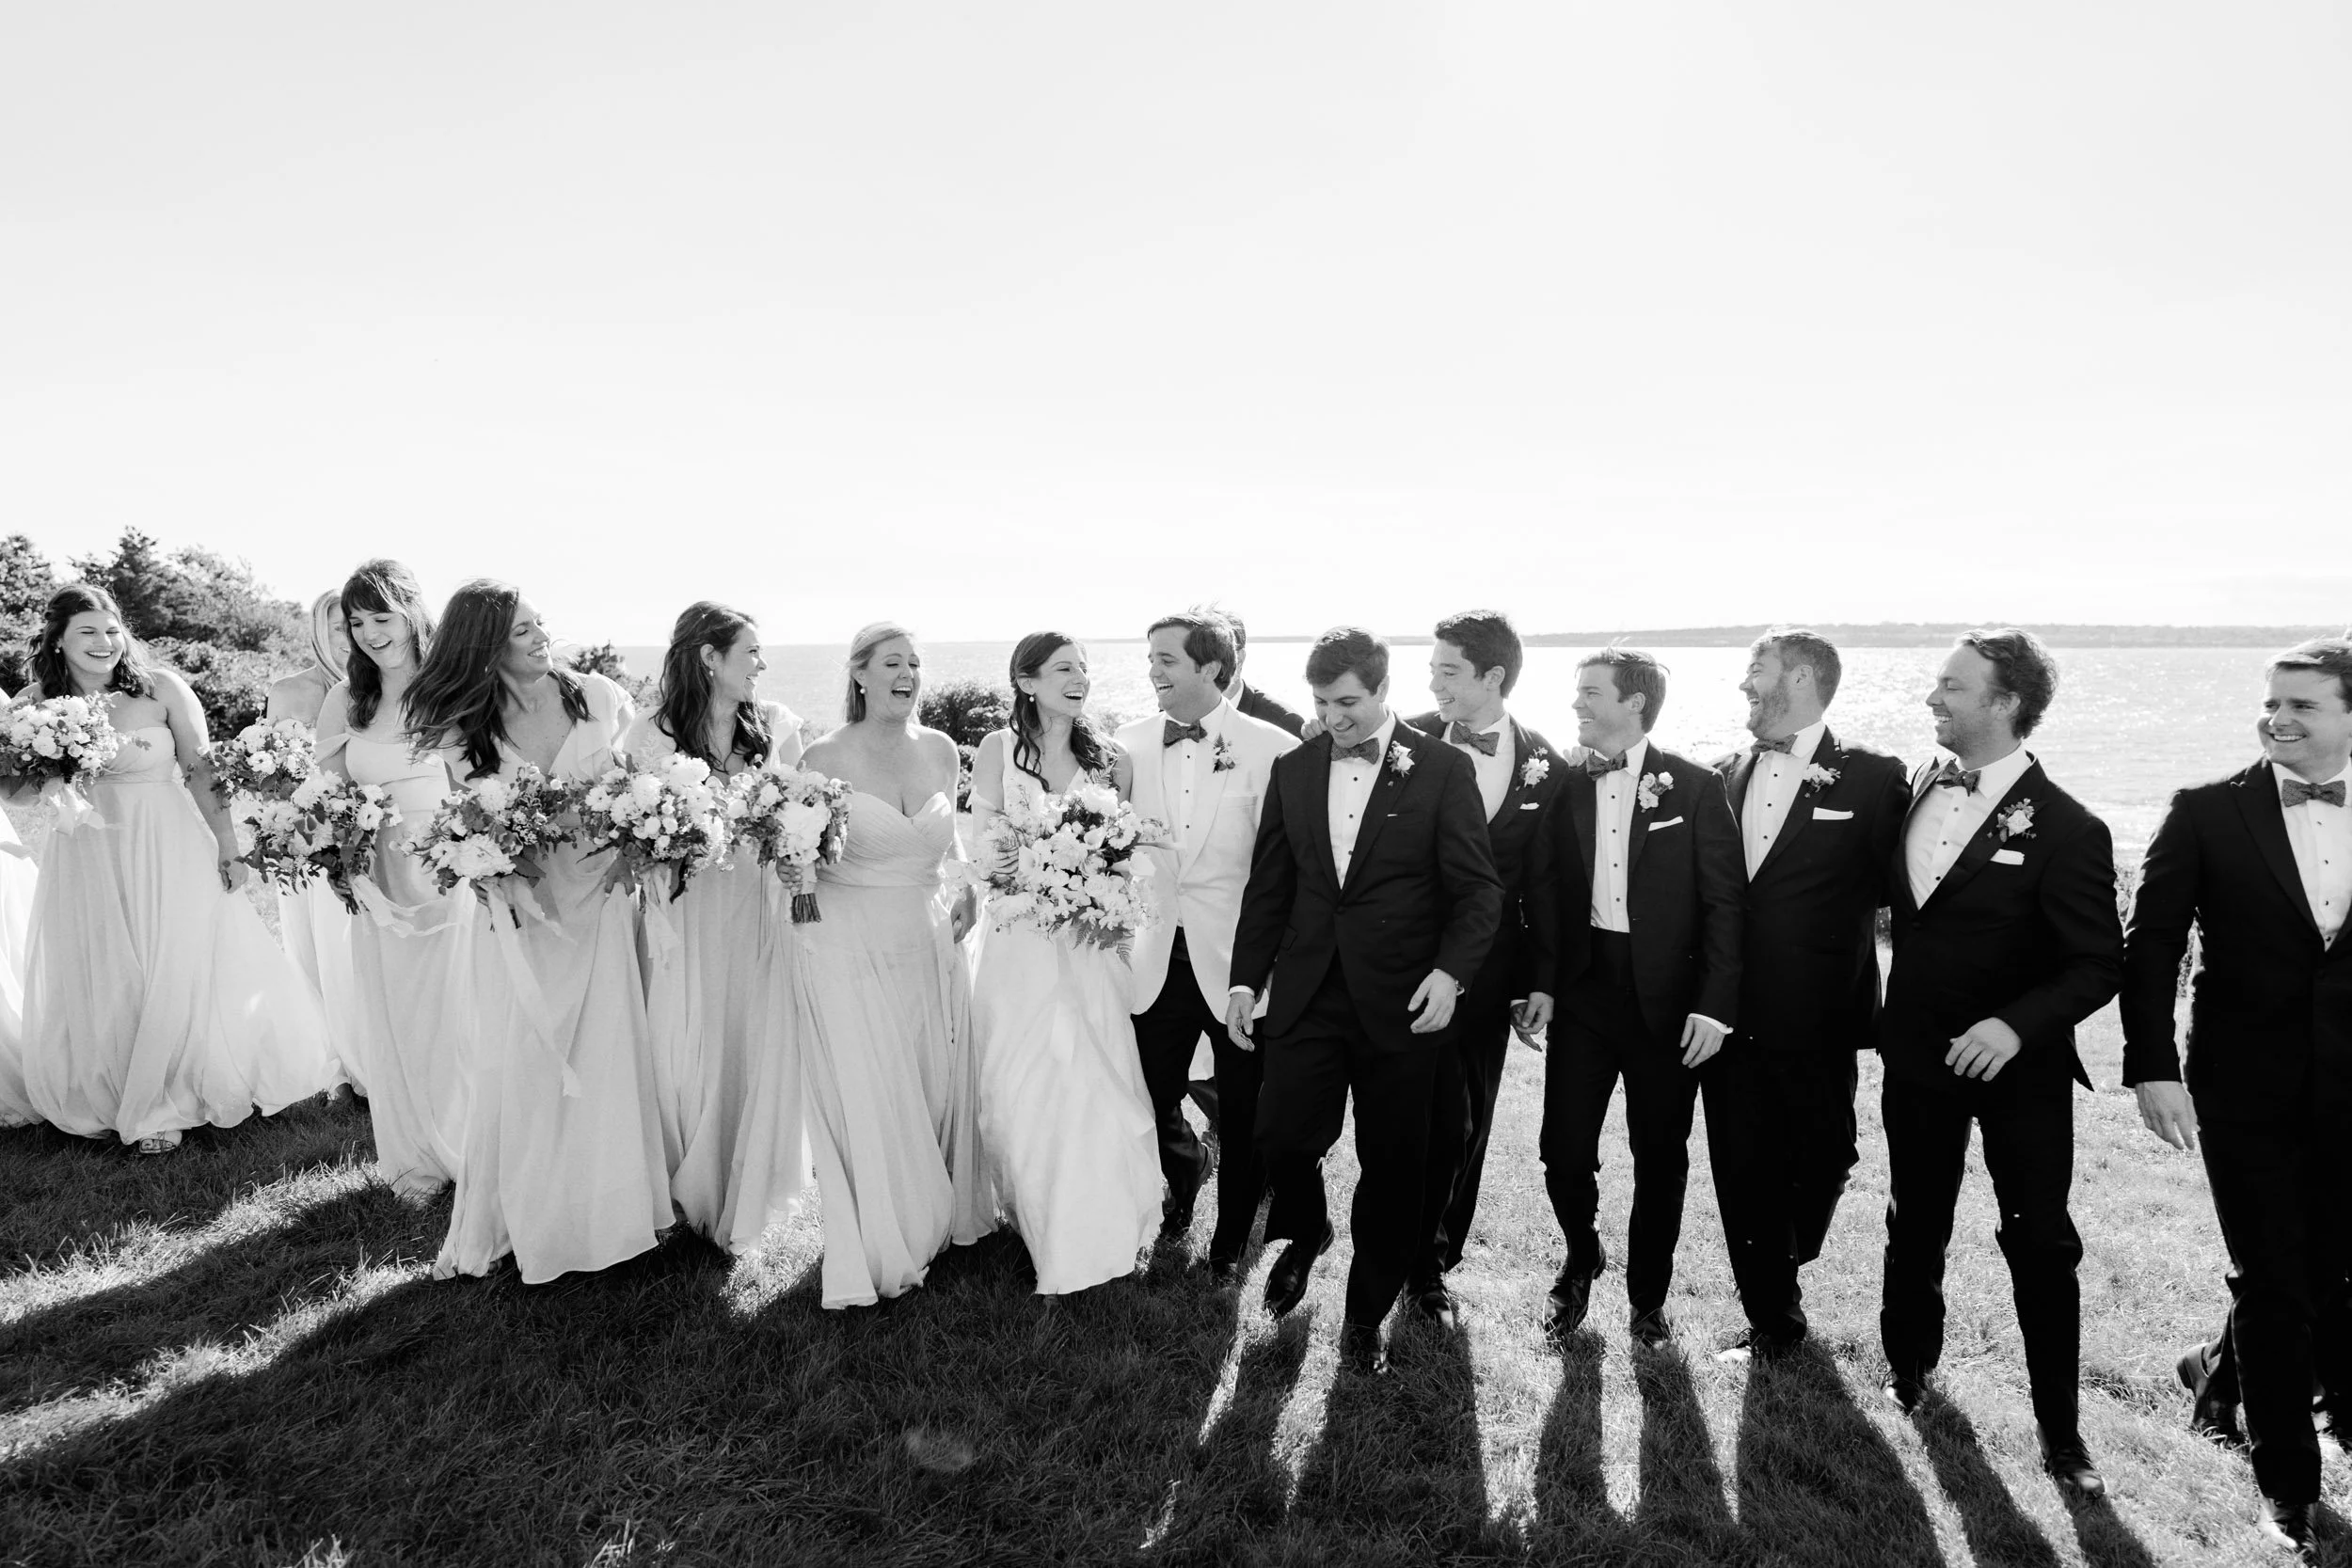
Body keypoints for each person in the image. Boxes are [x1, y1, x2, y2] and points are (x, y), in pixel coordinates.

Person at [1877, 628, 2121, 1500]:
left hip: (2019, 1070)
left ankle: (2062, 1434)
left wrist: (2015, 1028)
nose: (1932, 700)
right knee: (1916, 1218)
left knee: (2039, 1241)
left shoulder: (2070, 826)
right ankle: (1907, 1373)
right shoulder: (1917, 789)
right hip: (1913, 1052)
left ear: (2005, 702)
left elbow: (2099, 961)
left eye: (1950, 686)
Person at [2122, 638, 2352, 1554]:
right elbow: (2150, 943)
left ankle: (2214, 1374)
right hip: (2239, 1082)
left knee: (2328, 1274)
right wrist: (2151, 1066)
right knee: (2272, 1278)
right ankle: (2287, 1484)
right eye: (2270, 702)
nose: (2276, 718)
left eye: (2300, 704)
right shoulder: (2206, 813)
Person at [1226, 626, 1501, 1376]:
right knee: (1280, 1135)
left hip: (1404, 1000)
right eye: (1320, 701)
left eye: (1346, 702)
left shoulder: (1441, 768)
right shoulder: (1294, 765)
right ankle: (1308, 1229)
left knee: (1394, 1164)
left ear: (1383, 691)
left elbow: (1479, 889)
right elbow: (1271, 885)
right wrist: (1247, 980)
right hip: (1309, 992)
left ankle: (1364, 1314)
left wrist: (1450, 974)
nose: (1332, 717)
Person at [7, 584, 331, 1151]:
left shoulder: (162, 690)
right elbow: (17, 796)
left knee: (172, 959)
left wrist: (229, 846)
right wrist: (48, 760)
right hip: (85, 851)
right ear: (58, 642)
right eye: (87, 632)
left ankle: (172, 1091)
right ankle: (117, 1086)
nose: (104, 642)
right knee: (102, 963)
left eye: (112, 630)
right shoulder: (33, 704)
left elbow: (202, 773)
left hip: (164, 842)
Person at [409, 580, 670, 1283]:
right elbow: (472, 819)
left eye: (539, 624)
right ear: (486, 646)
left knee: (608, 1046)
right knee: (526, 1057)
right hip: (525, 906)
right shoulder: (466, 728)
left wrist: (637, 843)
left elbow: (643, 787)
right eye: (522, 630)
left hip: (601, 895)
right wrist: (491, 863)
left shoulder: (598, 696)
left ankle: (610, 1210)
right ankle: (536, 1211)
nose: (539, 636)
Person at [1522, 648, 1742, 1348]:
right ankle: (1582, 1255)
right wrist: (1541, 984)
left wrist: (1713, 1005)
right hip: (1586, 990)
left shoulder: (1698, 786)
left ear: (1635, 704)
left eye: (1590, 693)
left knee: (1660, 1153)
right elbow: (1546, 891)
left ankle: (1648, 1300)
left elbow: (1725, 903)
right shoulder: (1566, 781)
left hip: (1670, 1005)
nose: (1577, 705)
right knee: (1561, 1146)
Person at [1703, 629, 1909, 1359]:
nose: (1742, 686)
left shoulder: (1876, 778)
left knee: (1828, 1155)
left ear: (1798, 677)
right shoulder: (1722, 774)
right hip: (1725, 1015)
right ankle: (1773, 1319)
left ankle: (1789, 1255)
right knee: (1740, 1166)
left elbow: (1908, 894)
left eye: (1752, 671)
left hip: (1822, 1016)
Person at [796, 623, 993, 1307]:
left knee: (930, 1080)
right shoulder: (822, 753)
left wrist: (965, 888)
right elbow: (798, 862)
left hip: (928, 934)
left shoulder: (941, 748)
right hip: (849, 942)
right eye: (891, 662)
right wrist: (805, 930)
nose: (907, 673)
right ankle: (886, 1227)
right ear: (859, 675)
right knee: (875, 1086)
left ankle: (937, 1208)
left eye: (914, 662)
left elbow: (946, 846)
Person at [968, 633, 1161, 1294]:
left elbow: (1125, 850)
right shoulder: (997, 749)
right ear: (1026, 680)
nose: (1080, 678)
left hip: (1086, 944)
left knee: (1093, 1076)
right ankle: (1034, 1212)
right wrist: (1019, 870)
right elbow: (984, 842)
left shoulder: (1110, 758)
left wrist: (1093, 886)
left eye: (1084, 668)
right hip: (1019, 942)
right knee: (1020, 1080)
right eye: (1063, 668)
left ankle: (1094, 1223)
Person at [623, 603, 809, 1249]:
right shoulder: (647, 735)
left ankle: (746, 1183)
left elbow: (799, 816)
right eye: (750, 651)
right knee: (686, 1033)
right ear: (710, 657)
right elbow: (628, 833)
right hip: (686, 906)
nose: (761, 664)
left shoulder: (777, 726)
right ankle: (682, 1183)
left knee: (751, 1031)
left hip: (757, 906)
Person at [1118, 611, 1298, 1278]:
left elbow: (1286, 869)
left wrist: (1272, 966)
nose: (1152, 670)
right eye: (1150, 657)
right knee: (1146, 1091)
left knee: (1247, 1111)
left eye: (1165, 658)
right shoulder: (1128, 744)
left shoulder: (1273, 747)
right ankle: (1182, 1169)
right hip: (1154, 955)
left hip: (1240, 966)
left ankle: (1228, 1242)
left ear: (1212, 669)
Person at [1401, 610, 1567, 1329]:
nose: (1431, 682)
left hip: (1489, 971)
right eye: (1432, 668)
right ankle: (1392, 1247)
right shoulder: (1399, 741)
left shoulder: (1545, 763)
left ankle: (1433, 1263)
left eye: (1448, 670)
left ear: (1492, 676)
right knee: (1404, 1114)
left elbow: (1545, 882)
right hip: (1400, 961)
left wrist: (1541, 979)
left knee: (1468, 1120)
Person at [313, 560, 470, 1196]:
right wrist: (336, 850)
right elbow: (321, 791)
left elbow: (478, 785)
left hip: (449, 869)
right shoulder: (346, 698)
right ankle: (414, 1158)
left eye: (382, 616)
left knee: (458, 1010)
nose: (372, 633)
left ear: (412, 611)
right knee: (397, 1014)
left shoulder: (452, 688)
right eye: (357, 622)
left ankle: (473, 1142)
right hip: (375, 874)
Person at [266, 588, 363, 1100]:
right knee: (316, 948)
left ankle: (379, 1056)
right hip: (311, 838)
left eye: (357, 624)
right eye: (337, 626)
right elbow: (272, 772)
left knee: (360, 953)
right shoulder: (290, 691)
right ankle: (337, 1068)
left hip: (372, 833)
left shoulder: (386, 689)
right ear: (317, 632)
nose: (349, 637)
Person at [1221, 609, 1307, 740]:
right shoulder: (1182, 715)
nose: (1206, 667)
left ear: (1239, 659)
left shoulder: (1284, 722)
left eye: (1216, 655)